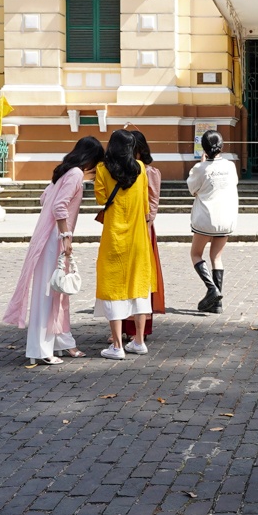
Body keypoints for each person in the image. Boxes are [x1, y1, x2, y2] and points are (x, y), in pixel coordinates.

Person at [4, 137, 103, 364]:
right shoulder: (76, 174)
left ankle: (61, 343)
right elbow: (59, 205)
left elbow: (45, 199)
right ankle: (41, 350)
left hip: (49, 236)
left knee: (58, 292)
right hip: (54, 238)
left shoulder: (64, 172)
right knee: (48, 293)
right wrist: (66, 236)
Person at [91, 130, 155, 360]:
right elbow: (146, 206)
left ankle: (117, 345)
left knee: (113, 288)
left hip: (114, 238)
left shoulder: (102, 170)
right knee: (139, 288)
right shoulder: (141, 169)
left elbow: (101, 198)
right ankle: (138, 341)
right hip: (138, 238)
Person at [187, 130, 239, 313]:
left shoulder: (199, 168)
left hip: (205, 218)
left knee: (195, 254)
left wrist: (201, 165)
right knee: (216, 256)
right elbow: (234, 183)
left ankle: (212, 289)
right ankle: (217, 304)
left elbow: (192, 189)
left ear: (205, 148)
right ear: (221, 146)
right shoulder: (230, 166)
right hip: (226, 218)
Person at [129, 131, 166, 351]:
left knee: (141, 278)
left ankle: (139, 329)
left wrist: (146, 225)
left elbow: (152, 204)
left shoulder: (150, 172)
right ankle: (124, 327)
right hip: (126, 228)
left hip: (143, 229)